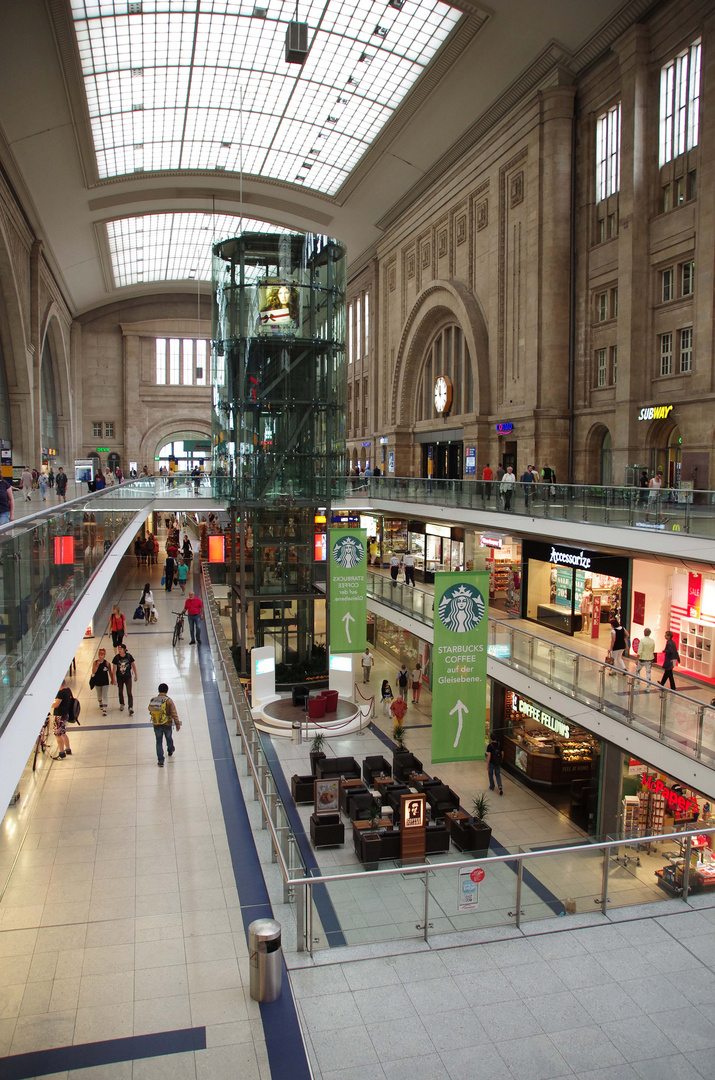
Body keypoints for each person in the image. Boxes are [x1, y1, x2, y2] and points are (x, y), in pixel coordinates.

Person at [149, 682, 181, 767]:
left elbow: (150, 710)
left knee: (159, 742)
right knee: (169, 738)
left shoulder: (153, 700)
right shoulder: (169, 701)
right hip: (167, 723)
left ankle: (160, 761)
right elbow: (174, 713)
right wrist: (177, 724)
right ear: (167, 691)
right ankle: (170, 750)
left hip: (156, 724)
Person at [52, 680, 74, 759]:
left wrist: (49, 704)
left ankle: (61, 752)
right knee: (63, 732)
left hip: (59, 715)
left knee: (57, 734)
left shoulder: (61, 693)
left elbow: (56, 704)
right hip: (65, 714)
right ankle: (68, 749)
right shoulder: (68, 690)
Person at [112, 643, 137, 714]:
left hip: (128, 677)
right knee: (120, 691)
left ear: (124, 650)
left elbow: (133, 666)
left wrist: (135, 675)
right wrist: (113, 679)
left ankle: (130, 706)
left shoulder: (129, 656)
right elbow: (114, 669)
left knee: (129, 692)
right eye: (118, 649)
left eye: (121, 649)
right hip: (120, 677)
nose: (119, 650)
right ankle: (122, 703)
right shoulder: (116, 658)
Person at [91, 647, 114, 715]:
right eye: (100, 655)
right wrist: (97, 665)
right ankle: (100, 701)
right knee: (99, 694)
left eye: (102, 655)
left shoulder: (107, 663)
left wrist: (112, 679)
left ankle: (104, 708)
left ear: (104, 655)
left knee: (105, 694)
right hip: (97, 682)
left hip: (105, 682)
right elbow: (93, 671)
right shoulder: (95, 662)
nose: (100, 656)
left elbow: (110, 671)